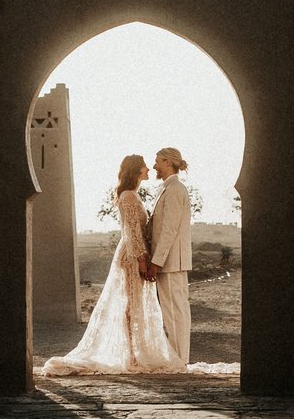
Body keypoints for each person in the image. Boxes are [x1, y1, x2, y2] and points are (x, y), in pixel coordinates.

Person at [39, 154, 185, 377]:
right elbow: (132, 231)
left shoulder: (133, 195)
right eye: (145, 166)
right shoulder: (127, 196)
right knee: (131, 306)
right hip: (132, 257)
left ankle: (135, 353)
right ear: (136, 170)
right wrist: (142, 260)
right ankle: (132, 355)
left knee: (135, 306)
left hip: (137, 255)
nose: (149, 168)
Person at [145, 146, 193, 363]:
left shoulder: (174, 189)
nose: (154, 166)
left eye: (157, 161)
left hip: (172, 261)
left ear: (168, 162)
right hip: (169, 261)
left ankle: (179, 359)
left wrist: (156, 262)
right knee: (172, 311)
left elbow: (169, 230)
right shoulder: (167, 188)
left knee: (175, 311)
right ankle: (177, 358)